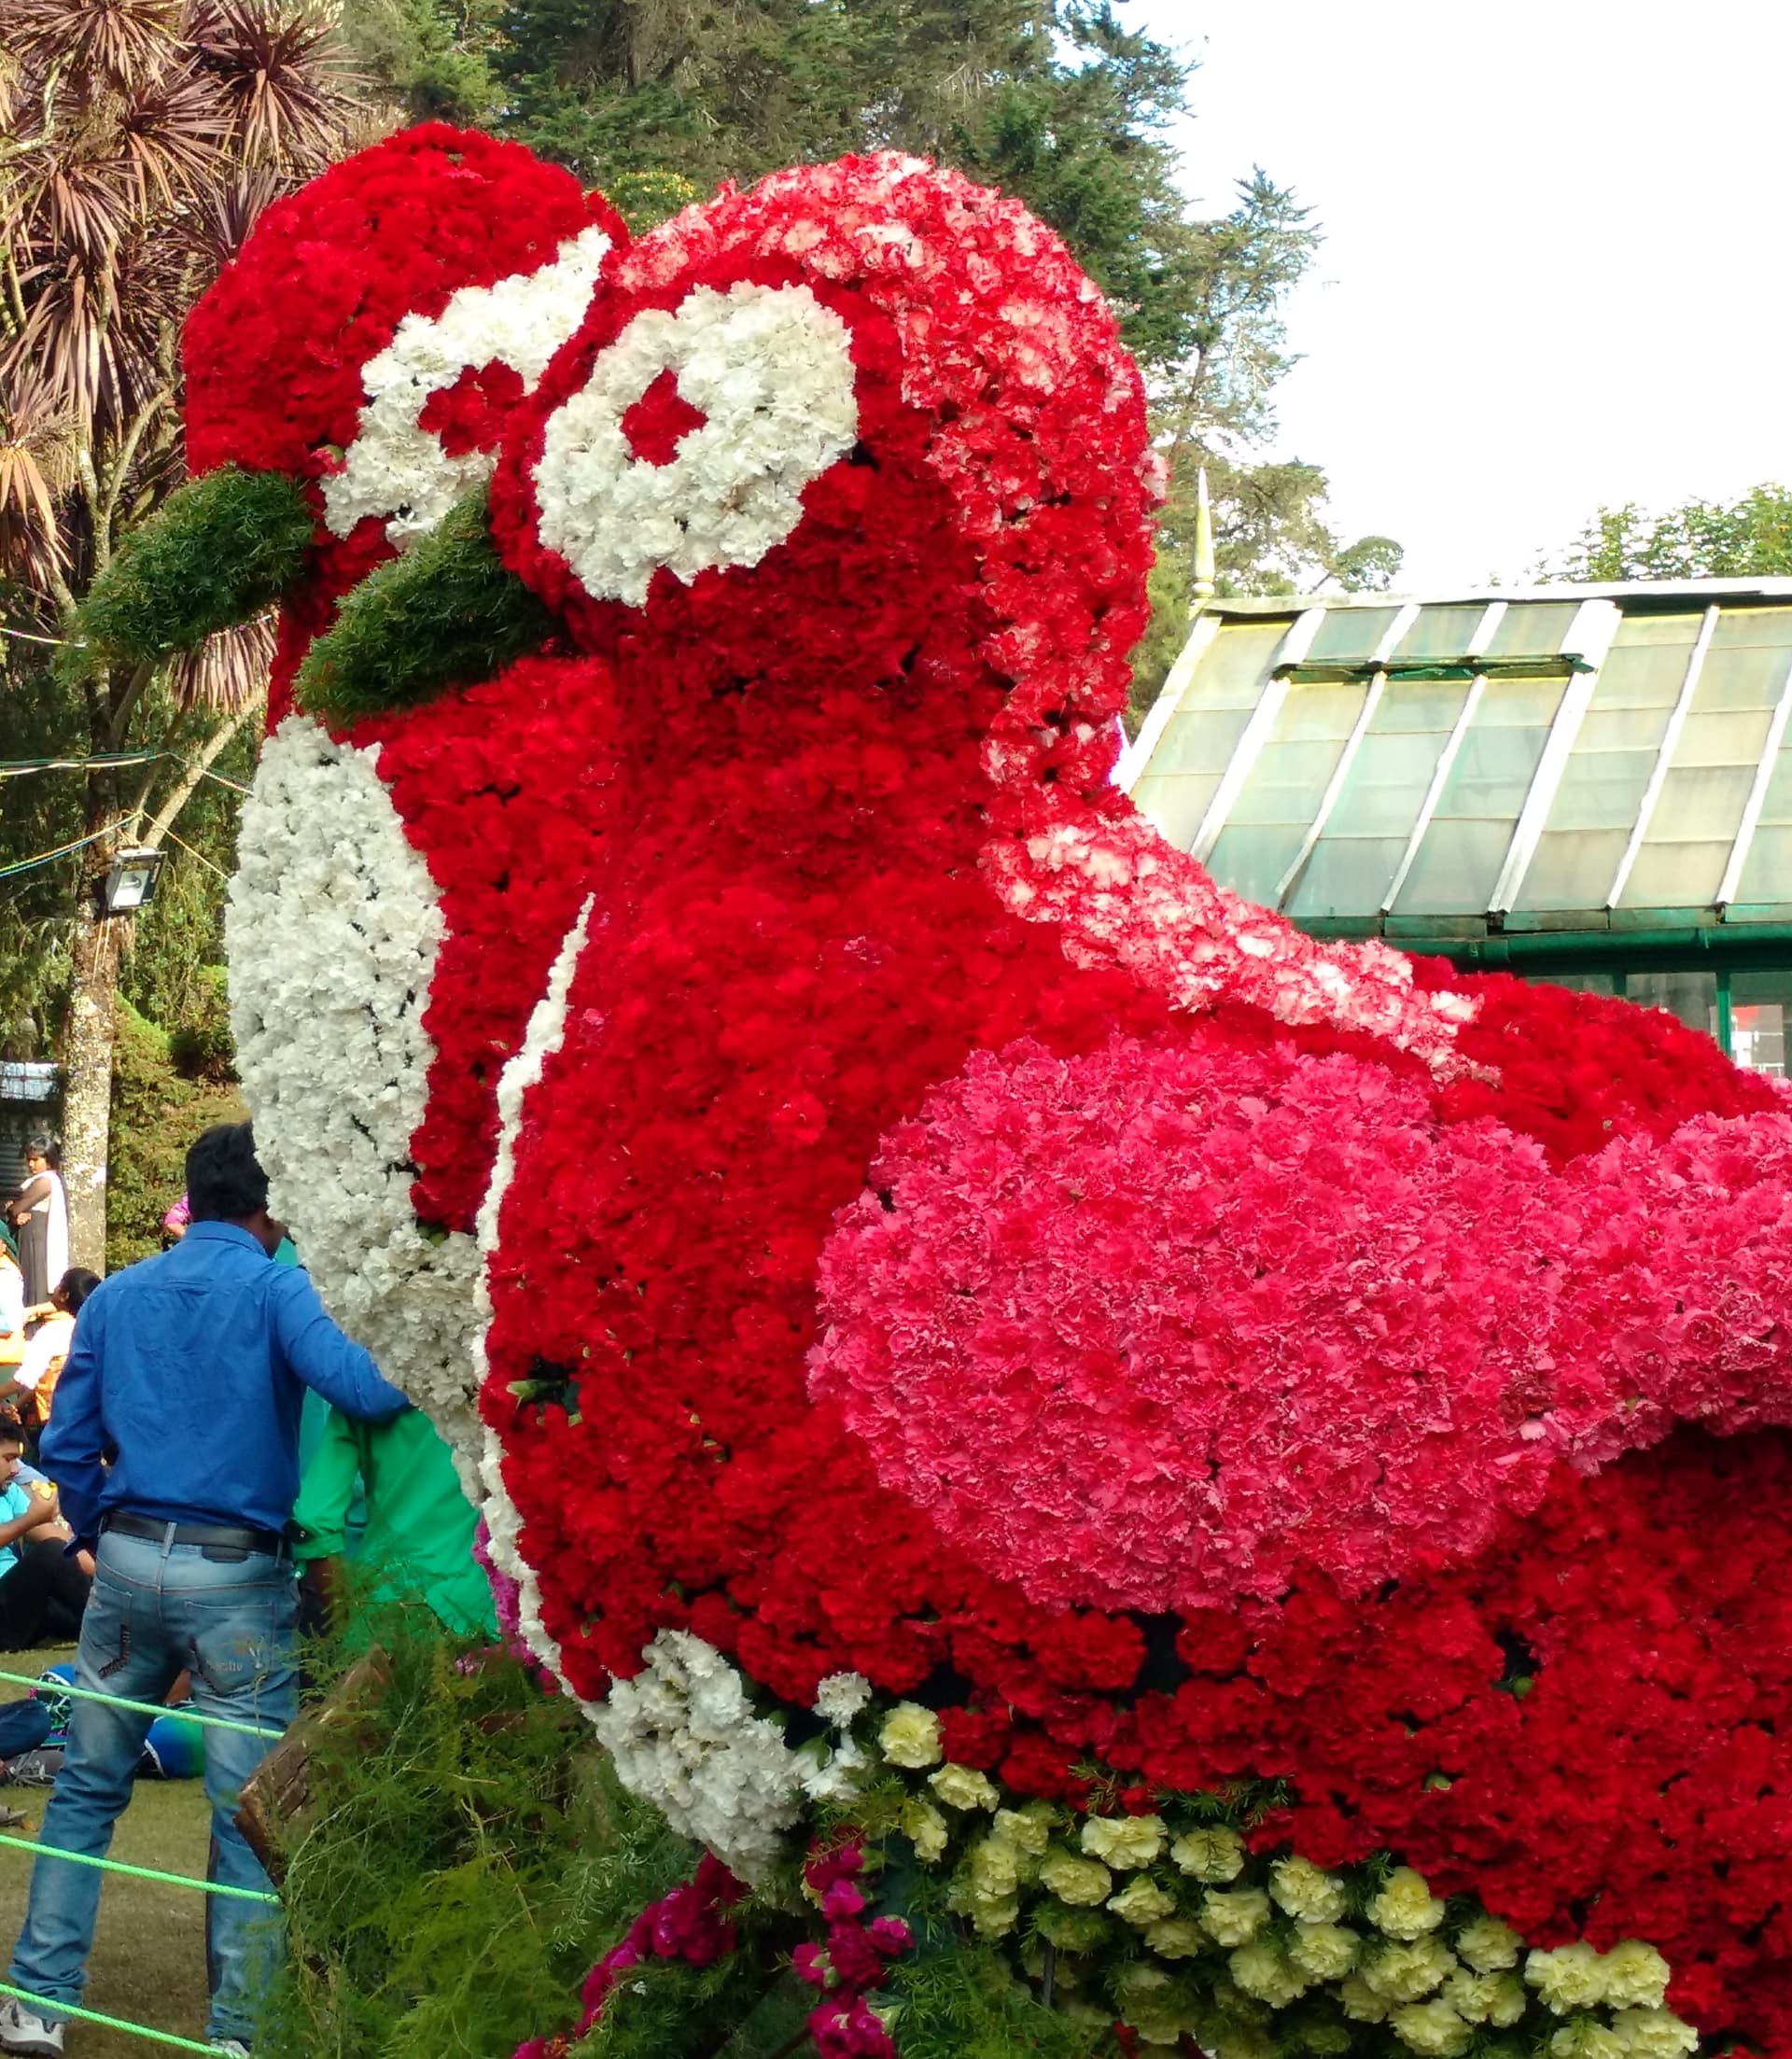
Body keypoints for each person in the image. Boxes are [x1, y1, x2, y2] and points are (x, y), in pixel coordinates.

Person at [0, 1123, 411, 2059]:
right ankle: (239, 2034)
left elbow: (65, 1444)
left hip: (132, 1560)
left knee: (84, 1796)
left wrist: (108, 1529)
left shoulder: (123, 1294)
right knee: (243, 1815)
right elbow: (367, 1387)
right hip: (239, 1577)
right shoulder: (279, 1286)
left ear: (194, 1195)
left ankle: (35, 2006)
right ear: (271, 1207)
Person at [0, 1415, 89, 1651]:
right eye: (8, 1459)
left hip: (14, 1600)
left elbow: (52, 1535)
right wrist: (30, 1518)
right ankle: (115, 1627)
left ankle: (119, 1628)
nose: (15, 1469)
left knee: (64, 1613)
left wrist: (107, 1573)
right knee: (50, 1553)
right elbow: (44, 1540)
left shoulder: (9, 1493)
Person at [7, 1272, 100, 1441]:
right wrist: (16, 1406)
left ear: (64, 1295)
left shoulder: (53, 1331)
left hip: (56, 1421)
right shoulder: (94, 1329)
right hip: (88, 1418)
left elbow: (24, 1380)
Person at [5, 1145, 66, 1312]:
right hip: (28, 1236)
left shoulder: (46, 1181)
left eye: (36, 1160)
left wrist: (12, 1210)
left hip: (37, 1239)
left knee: (36, 1280)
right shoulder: (34, 1182)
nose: (31, 1164)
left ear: (48, 1159)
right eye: (29, 1160)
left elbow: (14, 1208)